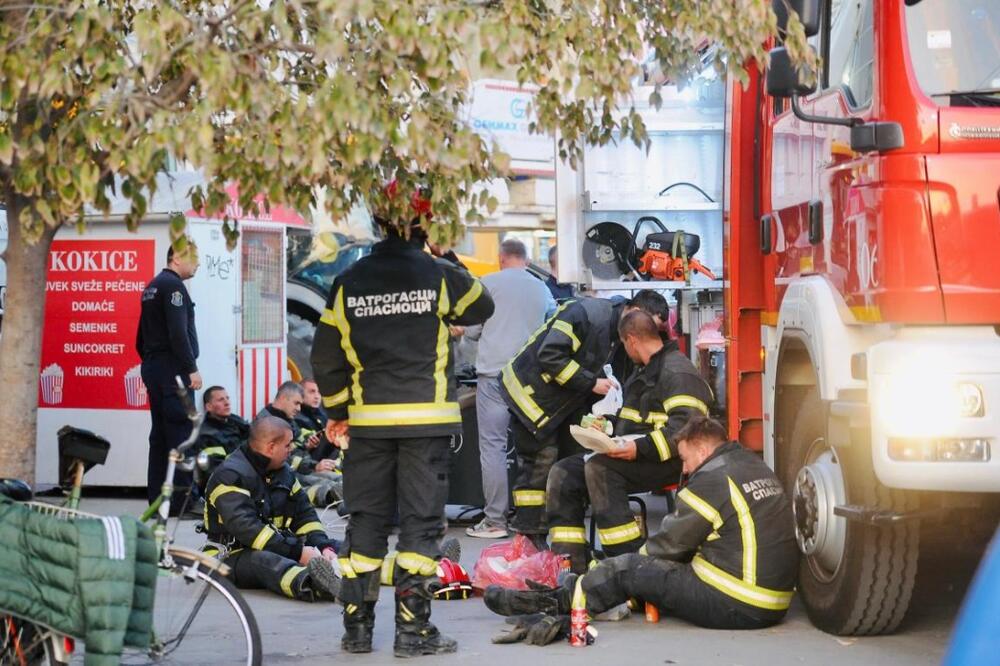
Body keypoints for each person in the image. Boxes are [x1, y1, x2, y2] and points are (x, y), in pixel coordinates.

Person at [310, 189, 494, 658]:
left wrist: (337, 412)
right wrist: (444, 256)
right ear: (423, 228)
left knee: (365, 524)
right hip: (424, 426)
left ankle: (357, 630)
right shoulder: (436, 274)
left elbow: (326, 355)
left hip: (367, 426)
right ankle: (414, 634)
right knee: (421, 525)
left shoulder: (348, 281)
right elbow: (481, 305)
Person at [485, 415, 799, 633]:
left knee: (631, 569)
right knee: (643, 573)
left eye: (686, 460)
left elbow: (668, 546)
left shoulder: (711, 481)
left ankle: (558, 602)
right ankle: (589, 590)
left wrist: (629, 568)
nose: (686, 470)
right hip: (773, 599)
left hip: (736, 600)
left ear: (703, 450)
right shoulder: (751, 465)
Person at [546, 310, 715, 572]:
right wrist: (604, 431)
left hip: (670, 460)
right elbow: (635, 420)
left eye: (625, 345)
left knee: (599, 469)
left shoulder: (677, 372)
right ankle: (569, 567)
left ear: (632, 340)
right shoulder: (645, 370)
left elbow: (687, 430)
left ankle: (627, 567)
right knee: (563, 472)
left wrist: (638, 448)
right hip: (636, 452)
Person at [500, 290, 667, 544]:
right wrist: (592, 383)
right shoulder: (585, 314)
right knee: (540, 464)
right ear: (633, 312)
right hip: (531, 396)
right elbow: (550, 355)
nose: (643, 338)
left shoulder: (622, 335)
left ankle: (562, 537)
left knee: (567, 463)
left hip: (564, 402)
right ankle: (530, 536)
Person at [462, 238, 555, 539]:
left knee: (493, 447)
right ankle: (532, 519)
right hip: (529, 380)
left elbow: (472, 330)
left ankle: (494, 521)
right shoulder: (541, 287)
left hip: (494, 378)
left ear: (501, 258)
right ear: (526, 260)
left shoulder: (486, 283)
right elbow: (552, 325)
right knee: (534, 449)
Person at [203, 415, 342, 602]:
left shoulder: (282, 472)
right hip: (229, 554)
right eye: (288, 445)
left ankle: (368, 569)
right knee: (265, 562)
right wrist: (298, 553)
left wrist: (322, 545)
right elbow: (248, 530)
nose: (292, 449)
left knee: (340, 546)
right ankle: (314, 583)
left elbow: (305, 514)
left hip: (279, 544)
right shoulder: (230, 476)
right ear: (270, 448)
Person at [136, 241, 201, 506]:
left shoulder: (152, 286)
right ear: (176, 257)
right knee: (181, 434)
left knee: (160, 436)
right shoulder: (174, 287)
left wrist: (154, 365)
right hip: (173, 370)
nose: (197, 265)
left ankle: (158, 498)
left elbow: (139, 339)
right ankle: (183, 499)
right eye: (194, 258)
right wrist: (190, 368)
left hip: (155, 367)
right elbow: (177, 333)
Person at [259, 381, 341, 506]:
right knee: (329, 487)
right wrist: (314, 466)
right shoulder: (268, 424)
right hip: (285, 474)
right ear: (283, 398)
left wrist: (307, 445)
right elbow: (283, 459)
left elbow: (297, 446)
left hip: (303, 469)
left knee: (339, 480)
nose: (298, 409)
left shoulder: (287, 419)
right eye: (296, 403)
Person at [193, 386, 249, 493]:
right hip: (226, 488)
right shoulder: (206, 435)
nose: (227, 403)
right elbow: (216, 473)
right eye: (221, 400)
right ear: (208, 407)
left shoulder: (236, 421)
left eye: (227, 398)